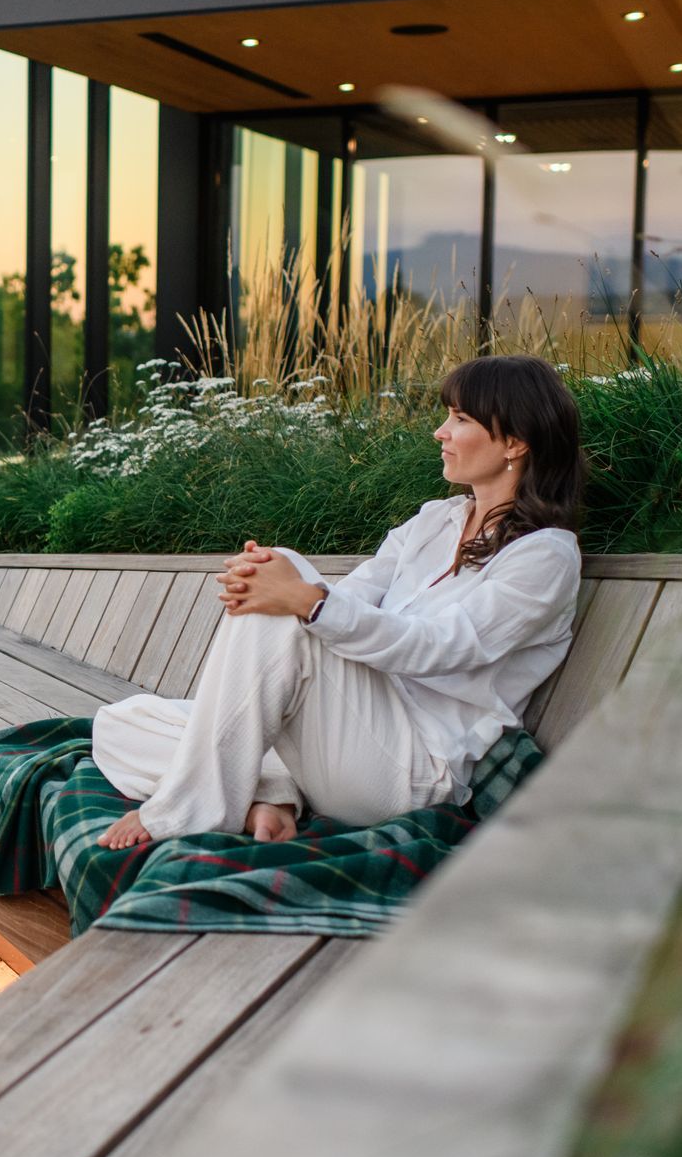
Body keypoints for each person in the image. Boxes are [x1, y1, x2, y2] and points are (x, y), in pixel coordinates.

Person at [94, 354, 586, 850]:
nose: (440, 432)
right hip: (334, 736)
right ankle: (271, 792)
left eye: (460, 420)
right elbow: (352, 595)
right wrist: (281, 585)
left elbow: (438, 647)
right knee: (117, 725)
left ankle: (192, 808)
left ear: (516, 442)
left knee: (290, 609)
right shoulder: (436, 521)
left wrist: (304, 602)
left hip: (409, 767)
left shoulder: (544, 557)